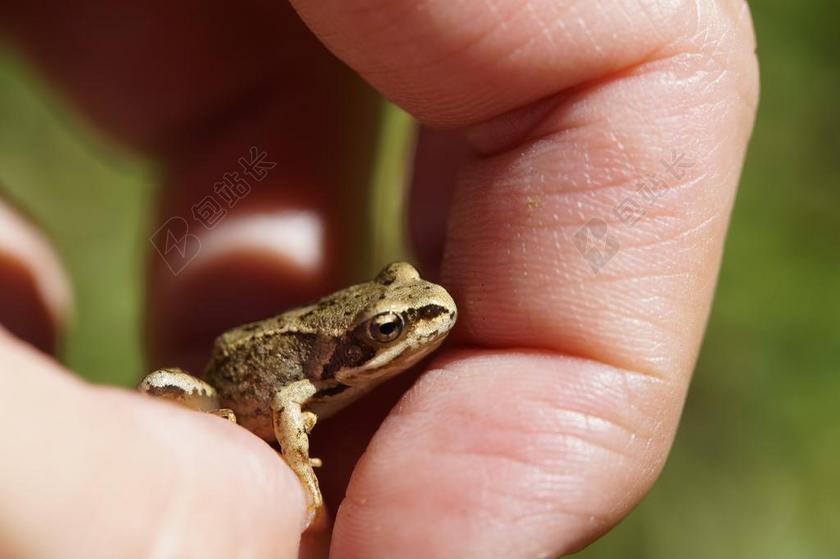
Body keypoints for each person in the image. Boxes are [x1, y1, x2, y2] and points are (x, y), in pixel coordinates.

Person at [0, 1, 759, 557]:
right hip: (230, 388)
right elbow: (294, 405)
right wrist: (306, 486)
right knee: (169, 388)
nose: (422, 321)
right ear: (359, 340)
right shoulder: (309, 379)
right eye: (390, 330)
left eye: (395, 313)